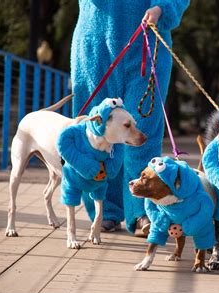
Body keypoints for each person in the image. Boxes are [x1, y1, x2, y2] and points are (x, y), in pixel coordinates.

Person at [71, 0, 190, 236]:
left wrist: (162, 9)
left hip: (147, 42)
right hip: (95, 43)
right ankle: (104, 208)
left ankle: (142, 209)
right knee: (98, 131)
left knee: (141, 128)